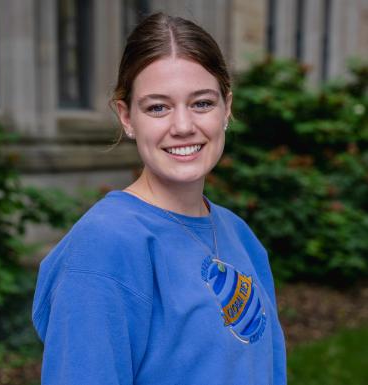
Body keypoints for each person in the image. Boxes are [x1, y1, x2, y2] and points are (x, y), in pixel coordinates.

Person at [32, 12, 287, 385]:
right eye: (157, 107)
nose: (183, 126)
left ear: (226, 108)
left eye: (201, 103)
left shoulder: (239, 235)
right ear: (127, 117)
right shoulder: (104, 246)